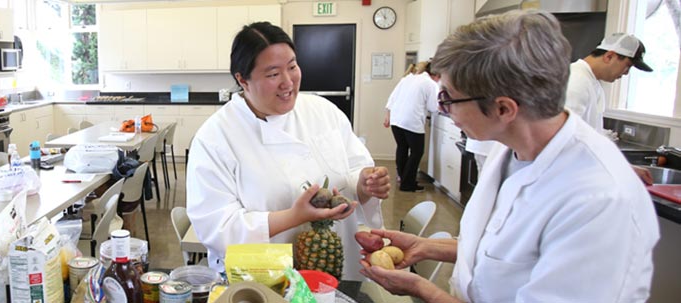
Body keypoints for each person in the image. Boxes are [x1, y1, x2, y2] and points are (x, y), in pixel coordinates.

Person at [358, 10, 659, 302]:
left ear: (503, 109)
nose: (442, 109)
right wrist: (426, 247)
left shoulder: (597, 202)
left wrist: (422, 290)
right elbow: (502, 252)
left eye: (448, 98)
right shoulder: (510, 147)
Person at [186, 22, 391, 281]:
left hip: (335, 266)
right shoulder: (215, 138)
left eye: (292, 67)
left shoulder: (322, 111)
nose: (288, 82)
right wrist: (293, 217)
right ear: (242, 80)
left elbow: (353, 170)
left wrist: (365, 184)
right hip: (264, 278)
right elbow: (218, 227)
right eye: (273, 74)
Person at [565, 33, 655, 184]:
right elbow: (566, 139)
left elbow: (592, 138)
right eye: (627, 66)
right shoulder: (576, 81)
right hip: (569, 178)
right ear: (609, 56)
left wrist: (624, 167)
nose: (626, 73)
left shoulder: (591, 82)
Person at [383, 61, 439, 191]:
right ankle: (408, 184)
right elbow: (433, 107)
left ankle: (402, 177)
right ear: (436, 74)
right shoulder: (430, 83)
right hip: (411, 121)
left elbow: (392, 98)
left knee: (402, 147)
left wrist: (388, 116)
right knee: (417, 152)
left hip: (396, 120)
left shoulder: (408, 78)